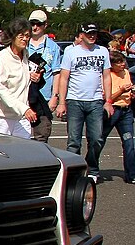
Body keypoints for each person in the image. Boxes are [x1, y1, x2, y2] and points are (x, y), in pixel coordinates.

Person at [51, 22, 111, 183]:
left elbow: (106, 76)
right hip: (75, 100)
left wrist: (109, 101)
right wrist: (62, 102)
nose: (92, 36)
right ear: (82, 35)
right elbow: (64, 78)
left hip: (96, 100)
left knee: (97, 138)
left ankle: (92, 168)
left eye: (94, 33)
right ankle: (74, 172)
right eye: (89, 33)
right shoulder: (71, 52)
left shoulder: (103, 51)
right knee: (73, 141)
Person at [0, 18, 38, 138]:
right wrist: (24, 109)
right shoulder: (1, 59)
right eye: (21, 35)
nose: (25, 39)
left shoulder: (25, 56)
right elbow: (1, 90)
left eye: (27, 36)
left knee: (23, 153)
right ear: (12, 36)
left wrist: (34, 76)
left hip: (20, 117)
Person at [101, 50, 135, 183]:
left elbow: (128, 92)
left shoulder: (126, 72)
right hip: (112, 110)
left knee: (129, 142)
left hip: (126, 110)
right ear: (112, 65)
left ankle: (131, 174)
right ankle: (92, 168)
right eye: (119, 62)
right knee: (99, 140)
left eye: (123, 61)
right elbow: (106, 97)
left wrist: (131, 94)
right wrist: (121, 90)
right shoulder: (107, 75)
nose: (123, 64)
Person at [27, 10, 62, 113]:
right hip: (24, 96)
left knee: (43, 128)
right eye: (32, 24)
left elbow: (56, 73)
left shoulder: (53, 47)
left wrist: (54, 97)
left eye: (39, 24)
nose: (35, 27)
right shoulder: (23, 43)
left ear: (45, 25)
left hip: (44, 97)